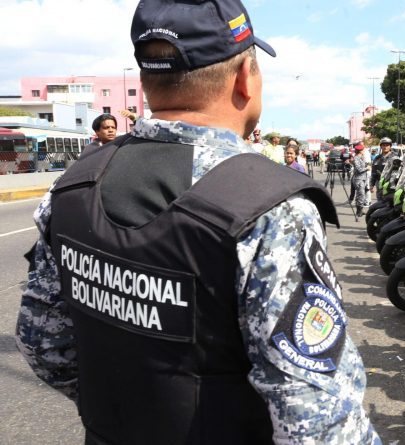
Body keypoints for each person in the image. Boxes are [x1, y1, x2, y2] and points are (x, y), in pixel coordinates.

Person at [15, 1, 380, 443]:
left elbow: (44, 346)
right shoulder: (266, 205)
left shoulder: (72, 187)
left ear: (149, 83)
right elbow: (317, 418)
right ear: (246, 78)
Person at [350, 143, 370, 216]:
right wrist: (367, 168)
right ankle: (359, 211)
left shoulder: (361, 157)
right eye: (363, 150)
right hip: (358, 179)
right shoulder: (356, 158)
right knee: (360, 195)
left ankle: (360, 210)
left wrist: (367, 165)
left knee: (361, 195)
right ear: (360, 151)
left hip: (362, 178)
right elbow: (359, 169)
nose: (364, 151)